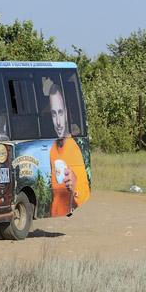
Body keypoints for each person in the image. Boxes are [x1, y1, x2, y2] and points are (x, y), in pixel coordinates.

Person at [44, 83, 90, 216]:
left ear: (66, 113)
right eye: (53, 114)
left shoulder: (73, 150)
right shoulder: (53, 148)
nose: (58, 122)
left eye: (60, 113)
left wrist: (75, 186)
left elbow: (85, 196)